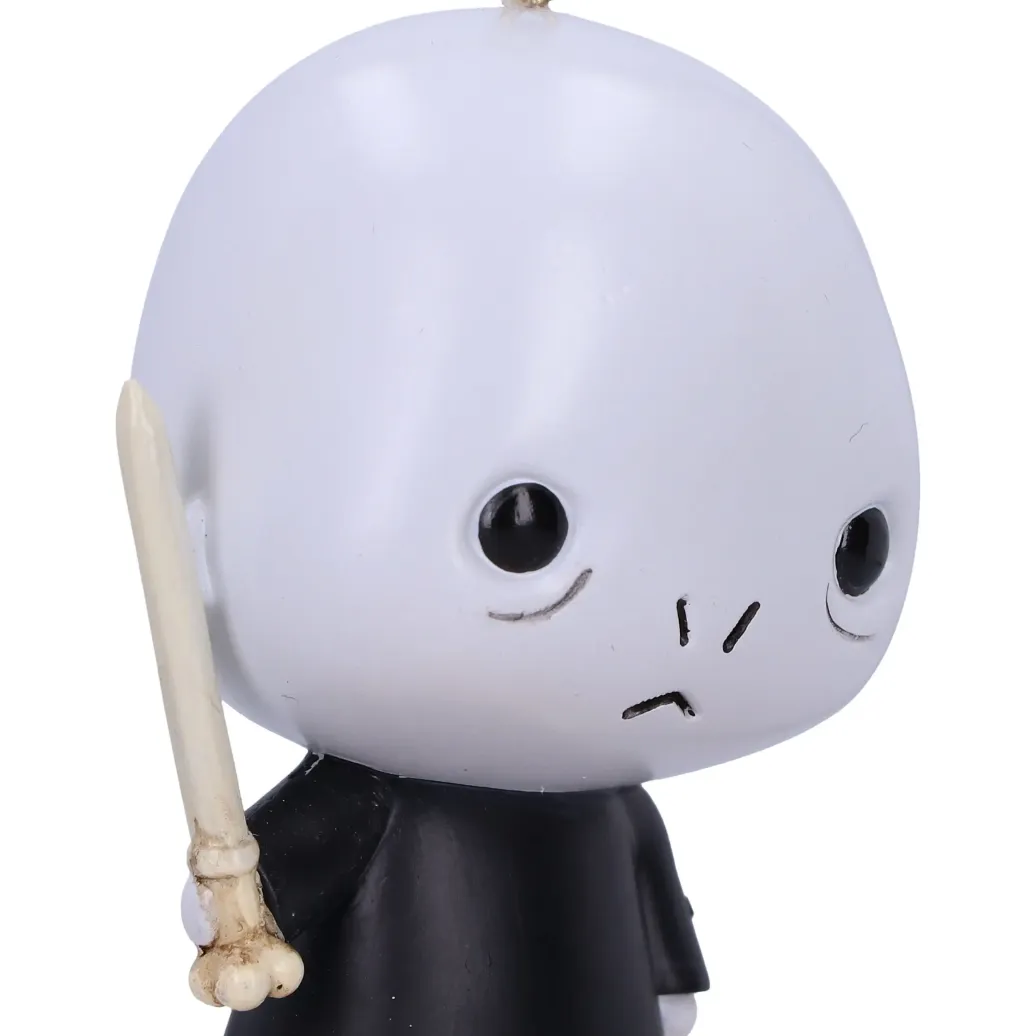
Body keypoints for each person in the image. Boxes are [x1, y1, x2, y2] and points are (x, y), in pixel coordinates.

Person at [133, 8, 920, 1035]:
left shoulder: (612, 808)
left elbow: (657, 938)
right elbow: (235, 899)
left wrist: (663, 989)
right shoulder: (361, 811)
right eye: (522, 530)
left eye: (853, 552)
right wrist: (228, 910)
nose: (708, 629)